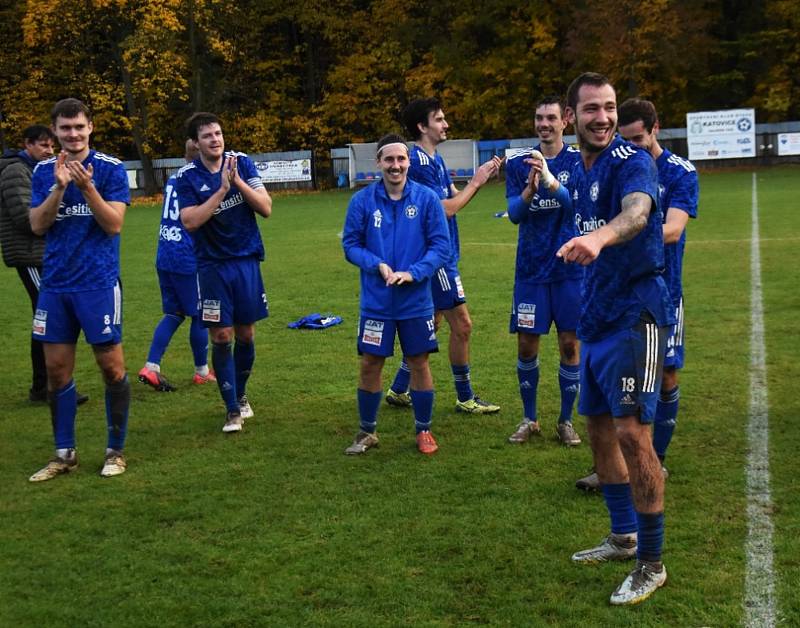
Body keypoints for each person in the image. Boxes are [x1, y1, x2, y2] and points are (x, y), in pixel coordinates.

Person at [555, 73, 675, 605]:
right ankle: (623, 536)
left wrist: (600, 236)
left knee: (632, 433)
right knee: (600, 429)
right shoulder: (578, 171)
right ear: (571, 117)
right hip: (596, 316)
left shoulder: (633, 161)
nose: (602, 118)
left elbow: (637, 213)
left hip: (635, 314)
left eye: (608, 108)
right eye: (590, 110)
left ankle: (651, 562)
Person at [576, 98, 699, 491]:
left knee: (667, 373)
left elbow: (673, 229)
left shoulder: (678, 172)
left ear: (655, 129)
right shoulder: (611, 163)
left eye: (639, 139)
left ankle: (655, 459)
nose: (631, 147)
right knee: (612, 397)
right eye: (624, 139)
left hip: (661, 290)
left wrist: (613, 233)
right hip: (610, 293)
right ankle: (615, 467)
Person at [28, 98, 131, 481]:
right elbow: (37, 225)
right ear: (54, 132)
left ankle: (115, 450)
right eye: (65, 128)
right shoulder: (42, 172)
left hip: (98, 284)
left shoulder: (110, 169)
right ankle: (64, 454)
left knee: (111, 367)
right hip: (55, 285)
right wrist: (58, 189)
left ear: (91, 128)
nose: (73, 134)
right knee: (57, 371)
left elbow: (114, 224)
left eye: (79, 127)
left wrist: (87, 189)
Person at [385, 98, 502, 415]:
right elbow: (445, 209)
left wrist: (480, 179)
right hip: (435, 259)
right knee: (462, 326)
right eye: (439, 119)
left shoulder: (433, 160)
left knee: (433, 322)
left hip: (443, 255)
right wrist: (476, 182)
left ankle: (398, 388)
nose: (446, 124)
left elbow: (454, 195)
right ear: (422, 127)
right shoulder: (419, 163)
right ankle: (465, 396)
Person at [342, 134, 450, 455]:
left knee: (419, 362)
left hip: (416, 301)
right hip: (376, 302)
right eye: (389, 160)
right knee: (370, 363)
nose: (396, 166)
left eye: (401, 159)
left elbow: (441, 247)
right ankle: (367, 432)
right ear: (378, 163)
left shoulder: (427, 199)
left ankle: (424, 430)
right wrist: (378, 265)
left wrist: (413, 272)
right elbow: (350, 245)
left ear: (408, 162)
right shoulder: (362, 201)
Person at [175, 112, 272, 433]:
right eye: (207, 136)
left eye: (218, 133)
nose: (215, 139)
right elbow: (190, 222)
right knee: (221, 335)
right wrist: (220, 190)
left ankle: (241, 395)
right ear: (196, 143)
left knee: (245, 334)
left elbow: (266, 208)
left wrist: (238, 182)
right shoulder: (187, 177)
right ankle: (231, 409)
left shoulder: (241, 162)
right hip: (213, 267)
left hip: (246, 262)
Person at [504, 96, 583, 446]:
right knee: (526, 346)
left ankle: (566, 421)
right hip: (531, 269)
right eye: (539, 118)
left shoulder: (579, 161)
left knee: (570, 345)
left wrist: (551, 182)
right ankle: (529, 418)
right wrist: (529, 189)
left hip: (570, 268)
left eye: (551, 117)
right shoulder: (519, 163)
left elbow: (574, 206)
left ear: (565, 121)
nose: (544, 124)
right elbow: (516, 215)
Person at [0, 125, 89, 405]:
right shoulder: (17, 171)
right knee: (46, 317)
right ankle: (48, 387)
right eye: (43, 146)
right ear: (27, 144)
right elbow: (23, 217)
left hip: (41, 253)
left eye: (51, 146)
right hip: (28, 253)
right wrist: (51, 214)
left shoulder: (36, 169)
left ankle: (47, 386)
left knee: (45, 318)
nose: (49, 151)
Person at [138, 139, 216, 391]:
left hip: (165, 253)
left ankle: (151, 367)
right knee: (201, 315)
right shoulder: (196, 180)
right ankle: (202, 371)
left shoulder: (174, 178)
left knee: (174, 313)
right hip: (187, 256)